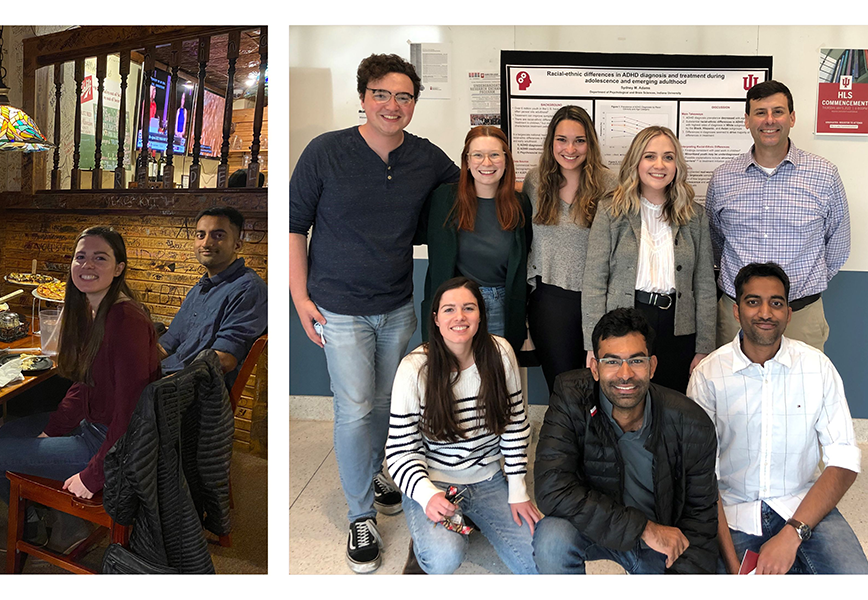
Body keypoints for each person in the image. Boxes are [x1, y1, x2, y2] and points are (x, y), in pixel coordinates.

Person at [289, 53, 459, 572]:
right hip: (338, 309)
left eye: (404, 96)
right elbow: (294, 225)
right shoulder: (326, 151)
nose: (392, 105)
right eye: (381, 94)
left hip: (396, 306)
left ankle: (382, 473)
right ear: (363, 98)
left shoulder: (426, 157)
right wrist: (300, 297)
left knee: (387, 404)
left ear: (414, 103)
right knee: (355, 408)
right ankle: (360, 515)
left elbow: (475, 185)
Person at [0, 227, 161, 552]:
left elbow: (132, 413)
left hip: (109, 443)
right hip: (92, 426)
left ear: (119, 268)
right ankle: (62, 518)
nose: (87, 265)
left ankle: (30, 527)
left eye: (100, 258)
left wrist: (94, 475)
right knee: (6, 433)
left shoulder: (125, 320)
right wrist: (53, 430)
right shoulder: (96, 309)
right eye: (81, 257)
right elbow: (83, 384)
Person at [688, 262, 868, 574]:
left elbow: (844, 460)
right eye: (753, 301)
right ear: (736, 311)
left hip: (803, 504)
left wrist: (792, 533)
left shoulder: (817, 367)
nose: (765, 313)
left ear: (788, 313)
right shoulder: (708, 376)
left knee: (856, 580)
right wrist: (733, 568)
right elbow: (702, 476)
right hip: (734, 513)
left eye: (776, 303)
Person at [532, 307, 721, 574]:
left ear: (652, 366)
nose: (624, 374)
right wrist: (643, 528)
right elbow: (551, 488)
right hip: (599, 526)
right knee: (552, 539)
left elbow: (700, 518)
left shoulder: (692, 422)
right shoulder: (571, 396)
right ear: (594, 368)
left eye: (636, 361)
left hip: (659, 541)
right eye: (611, 362)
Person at [385, 277, 539, 574]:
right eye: (449, 309)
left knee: (538, 561)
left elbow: (515, 426)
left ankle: (466, 519)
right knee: (442, 557)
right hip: (434, 480)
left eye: (469, 308)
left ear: (481, 315)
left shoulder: (501, 353)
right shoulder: (414, 368)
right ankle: (423, 541)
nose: (460, 317)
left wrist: (518, 490)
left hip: (488, 478)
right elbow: (400, 451)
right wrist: (427, 495)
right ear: (436, 319)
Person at [707, 80, 850, 351]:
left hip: (800, 315)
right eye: (760, 112)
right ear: (747, 120)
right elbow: (715, 241)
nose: (769, 120)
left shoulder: (824, 175)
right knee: (730, 379)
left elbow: (838, 244)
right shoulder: (723, 178)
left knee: (803, 381)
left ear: (792, 118)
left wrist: (801, 286)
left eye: (778, 111)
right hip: (736, 316)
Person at [582, 126, 715, 394]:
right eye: (650, 156)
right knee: (627, 399)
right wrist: (592, 344)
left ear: (677, 165)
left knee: (673, 400)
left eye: (668, 157)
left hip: (678, 326)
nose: (659, 165)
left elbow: (704, 286)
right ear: (636, 162)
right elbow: (594, 281)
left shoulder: (694, 215)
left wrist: (705, 348)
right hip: (625, 323)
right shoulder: (611, 211)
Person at [524, 105, 614, 393]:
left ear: (591, 144)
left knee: (599, 388)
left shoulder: (609, 185)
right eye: (562, 140)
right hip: (550, 302)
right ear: (551, 142)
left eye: (579, 140)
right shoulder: (535, 181)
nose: (570, 149)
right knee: (562, 388)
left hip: (598, 300)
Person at [420, 126, 532, 346]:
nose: (486, 163)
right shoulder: (444, 200)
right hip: (456, 303)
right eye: (478, 155)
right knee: (453, 366)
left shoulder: (520, 205)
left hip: (502, 304)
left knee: (497, 365)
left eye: (495, 155)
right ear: (467, 161)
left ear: (506, 160)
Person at [158, 206, 266, 387]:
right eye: (200, 235)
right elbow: (166, 345)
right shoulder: (200, 288)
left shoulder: (248, 289)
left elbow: (224, 360)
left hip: (195, 392)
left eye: (218, 236)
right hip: (166, 376)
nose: (206, 243)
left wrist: (160, 385)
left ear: (237, 245)